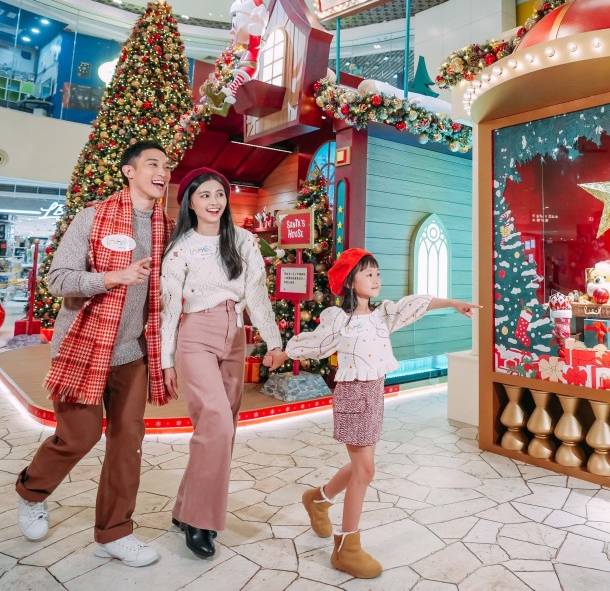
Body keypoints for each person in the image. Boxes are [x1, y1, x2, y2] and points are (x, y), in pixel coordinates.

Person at [15, 140, 172, 568]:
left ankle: (114, 533)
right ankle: (32, 492)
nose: (162, 171)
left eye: (166, 165)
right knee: (78, 436)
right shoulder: (92, 217)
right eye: (153, 163)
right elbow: (58, 279)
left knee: (128, 443)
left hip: (133, 353)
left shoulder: (166, 227)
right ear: (129, 171)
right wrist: (111, 277)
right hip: (83, 348)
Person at [285, 248, 479, 578]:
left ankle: (318, 500)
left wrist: (451, 303)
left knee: (360, 466)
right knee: (365, 470)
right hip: (352, 396)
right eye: (368, 273)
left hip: (374, 395)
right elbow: (314, 344)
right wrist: (283, 353)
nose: (376, 279)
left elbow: (413, 305)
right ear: (350, 282)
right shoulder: (340, 320)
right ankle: (346, 549)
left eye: (377, 273)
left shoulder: (382, 315)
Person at [159, 168, 288, 559]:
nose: (214, 202)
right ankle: (199, 520)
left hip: (235, 336)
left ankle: (184, 507)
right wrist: (166, 360)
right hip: (195, 334)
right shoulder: (180, 247)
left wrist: (274, 341)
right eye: (204, 195)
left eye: (219, 194)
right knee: (215, 420)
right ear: (190, 203)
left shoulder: (243, 240)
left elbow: (257, 296)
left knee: (222, 430)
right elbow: (169, 307)